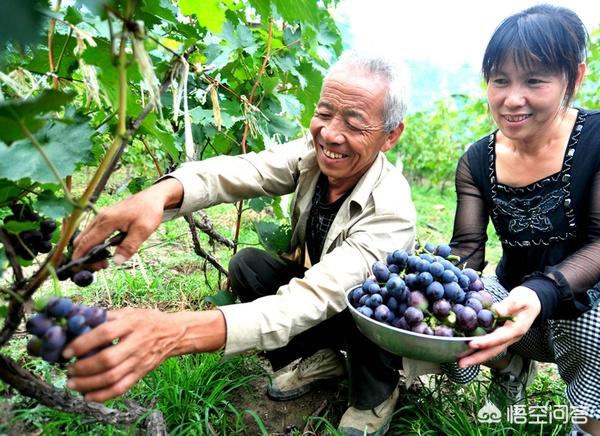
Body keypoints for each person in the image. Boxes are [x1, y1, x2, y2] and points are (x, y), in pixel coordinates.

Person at [64, 51, 416, 435]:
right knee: (248, 265)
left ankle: (374, 395)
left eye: (354, 123)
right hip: (330, 301)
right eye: (325, 112)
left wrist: (177, 331)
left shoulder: (390, 211)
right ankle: (322, 359)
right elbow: (246, 170)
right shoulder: (313, 155)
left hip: (367, 314)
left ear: (391, 135)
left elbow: (312, 298)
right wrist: (162, 193)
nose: (330, 133)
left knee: (369, 305)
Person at [448, 5, 600, 435]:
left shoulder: (597, 140)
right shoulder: (477, 160)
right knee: (467, 310)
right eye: (500, 80)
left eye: (534, 80)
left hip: (589, 307)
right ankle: (511, 365)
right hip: (517, 304)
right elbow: (466, 253)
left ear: (575, 76)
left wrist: (541, 292)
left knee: (592, 330)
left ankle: (589, 424)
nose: (513, 99)